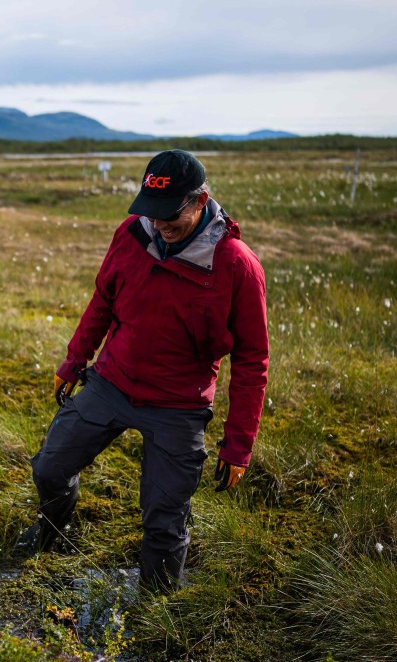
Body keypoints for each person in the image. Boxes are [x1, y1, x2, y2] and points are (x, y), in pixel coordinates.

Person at [17, 149, 269, 592]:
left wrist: (238, 446)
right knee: (50, 469)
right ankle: (54, 534)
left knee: (164, 522)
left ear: (199, 200)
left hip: (179, 406)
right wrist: (76, 358)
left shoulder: (236, 264)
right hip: (112, 382)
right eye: (151, 213)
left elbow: (252, 359)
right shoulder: (132, 234)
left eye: (170, 213)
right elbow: (103, 299)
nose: (160, 223)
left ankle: (157, 610)